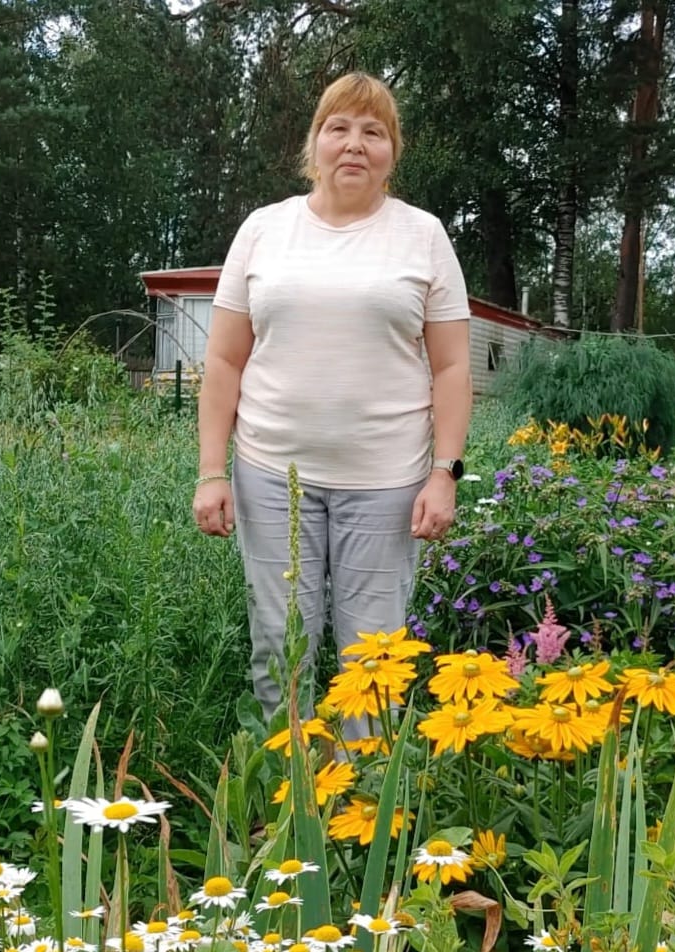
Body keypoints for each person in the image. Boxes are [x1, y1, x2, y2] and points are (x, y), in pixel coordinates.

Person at [191, 72, 472, 728]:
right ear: (313, 144)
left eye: (373, 132)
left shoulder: (424, 236)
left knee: (372, 660)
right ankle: (286, 798)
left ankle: (363, 806)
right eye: (338, 128)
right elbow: (225, 360)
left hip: (388, 485)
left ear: (391, 152)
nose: (354, 144)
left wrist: (444, 474)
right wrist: (211, 471)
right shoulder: (265, 231)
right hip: (270, 477)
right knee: (280, 646)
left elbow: (454, 368)